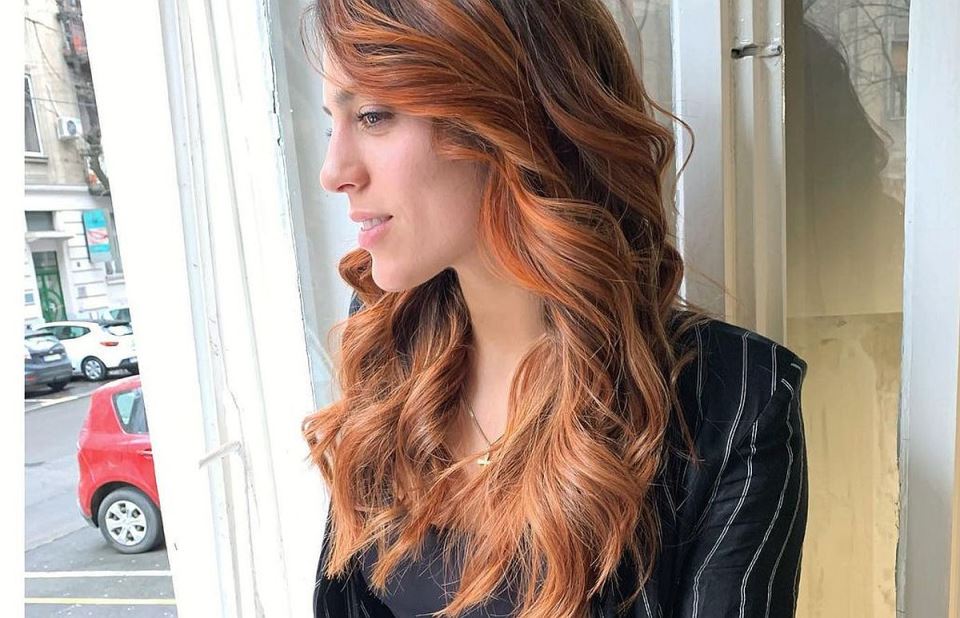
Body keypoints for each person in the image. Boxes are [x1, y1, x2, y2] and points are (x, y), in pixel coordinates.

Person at [300, 1, 809, 616]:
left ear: (510, 116)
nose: (334, 172)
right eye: (333, 122)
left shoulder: (732, 404)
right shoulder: (390, 336)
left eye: (373, 115)